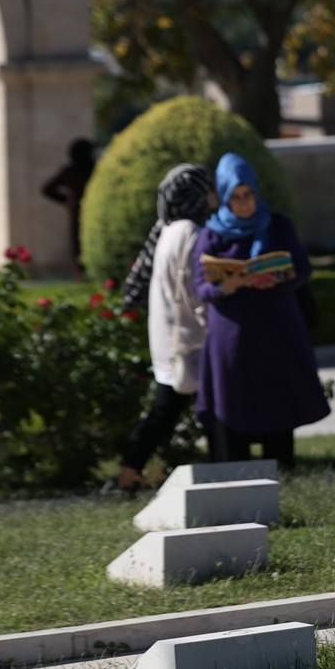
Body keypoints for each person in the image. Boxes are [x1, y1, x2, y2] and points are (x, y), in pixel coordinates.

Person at [194, 153, 330, 471]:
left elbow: (302, 268)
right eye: (236, 197)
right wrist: (232, 283)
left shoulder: (277, 225)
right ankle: (237, 474)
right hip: (233, 339)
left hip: (276, 332)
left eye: (248, 195)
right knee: (234, 403)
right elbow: (201, 287)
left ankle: (283, 471)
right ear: (225, 197)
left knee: (277, 401)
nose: (244, 203)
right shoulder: (212, 234)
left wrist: (278, 278)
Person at [103, 164, 220, 494]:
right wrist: (213, 326)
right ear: (192, 194)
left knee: (166, 413)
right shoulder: (191, 233)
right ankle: (225, 475)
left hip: (171, 341)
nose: (213, 195)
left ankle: (128, 475)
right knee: (208, 413)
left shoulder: (169, 228)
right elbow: (193, 290)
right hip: (189, 342)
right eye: (206, 188)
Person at [41, 138, 95, 280]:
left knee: (79, 247)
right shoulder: (92, 169)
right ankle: (83, 276)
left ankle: (82, 275)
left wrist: (68, 201)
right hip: (85, 212)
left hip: (80, 212)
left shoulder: (71, 171)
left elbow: (47, 189)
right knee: (80, 246)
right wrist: (67, 201)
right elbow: (47, 189)